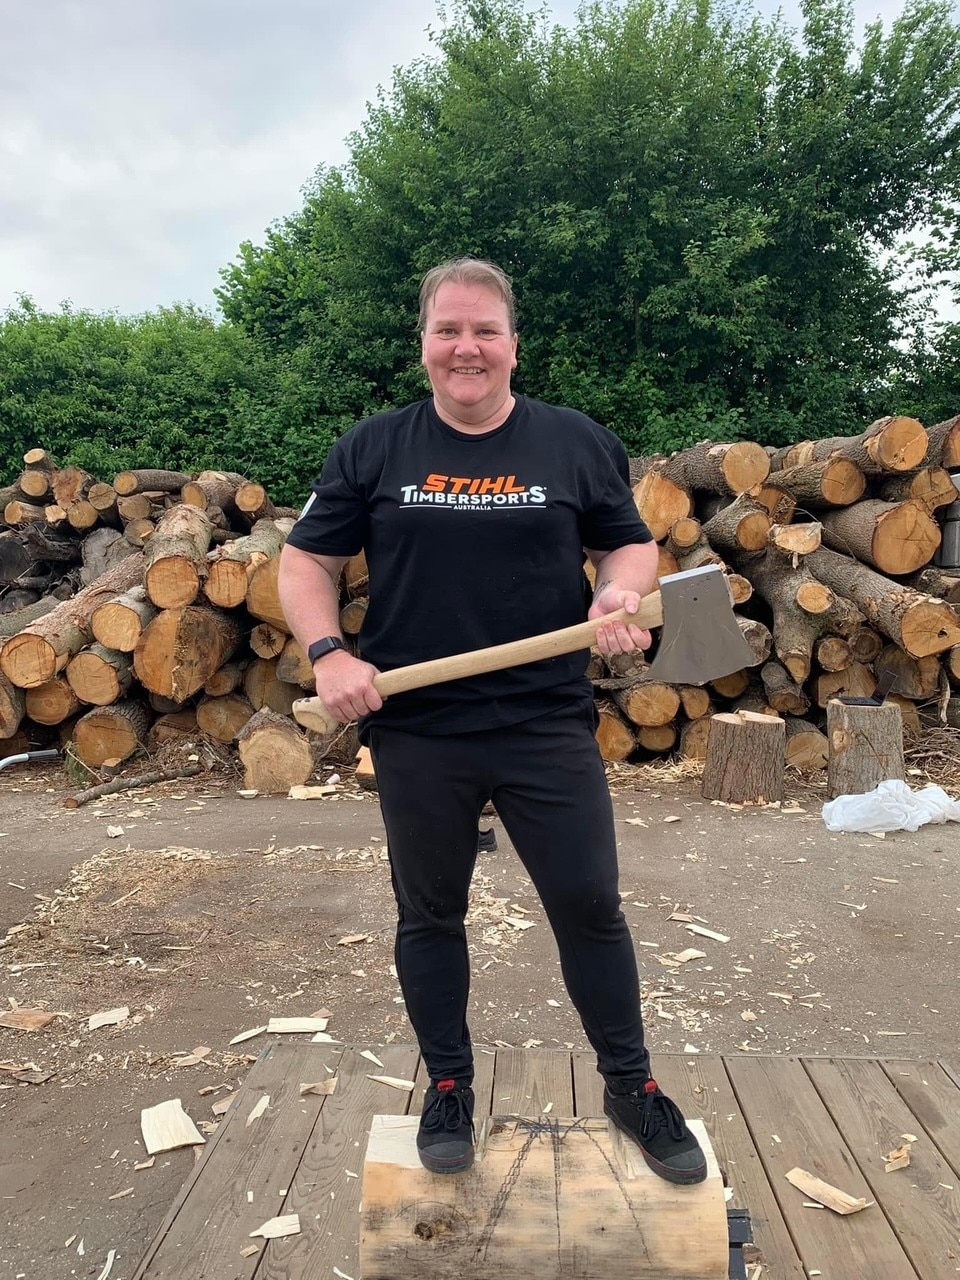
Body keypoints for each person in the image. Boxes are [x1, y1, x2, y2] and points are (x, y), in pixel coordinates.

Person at [277, 257, 707, 1185]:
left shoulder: (575, 443)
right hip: (418, 726)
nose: (465, 347)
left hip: (543, 719)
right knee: (431, 912)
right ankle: (447, 1085)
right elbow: (306, 562)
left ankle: (631, 1086)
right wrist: (330, 654)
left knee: (589, 905)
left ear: (514, 344)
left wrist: (618, 593)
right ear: (424, 344)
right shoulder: (373, 448)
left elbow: (628, 544)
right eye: (448, 330)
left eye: (484, 331)